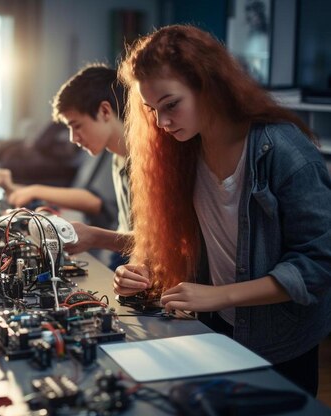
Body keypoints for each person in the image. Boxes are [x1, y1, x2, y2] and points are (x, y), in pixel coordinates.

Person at [115, 24, 331, 396]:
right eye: (153, 111)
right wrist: (143, 269)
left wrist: (219, 295)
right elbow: (182, 238)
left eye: (171, 105)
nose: (162, 123)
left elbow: (317, 264)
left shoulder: (285, 152)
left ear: (208, 85)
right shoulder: (182, 151)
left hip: (280, 344)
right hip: (213, 329)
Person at [26, 64, 133, 259]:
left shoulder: (147, 162)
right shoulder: (117, 158)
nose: (72, 138)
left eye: (77, 126)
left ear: (105, 111)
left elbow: (158, 245)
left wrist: (94, 237)